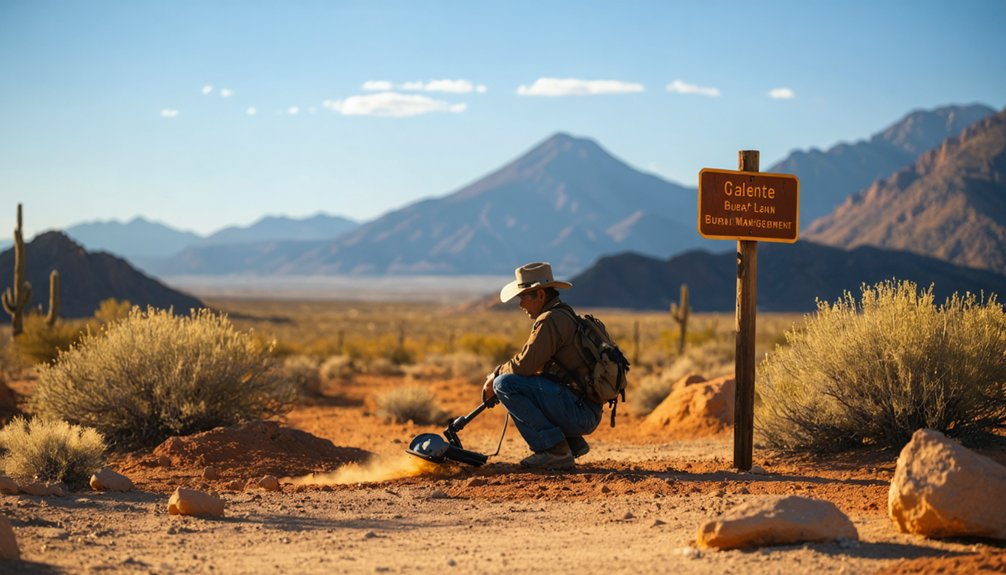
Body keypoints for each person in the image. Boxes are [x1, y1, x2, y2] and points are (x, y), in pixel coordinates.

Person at [482, 262, 602, 469]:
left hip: (580, 413)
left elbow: (524, 366)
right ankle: (571, 442)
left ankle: (555, 451)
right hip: (584, 410)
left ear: (539, 295)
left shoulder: (551, 320)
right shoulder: (562, 314)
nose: (521, 305)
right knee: (524, 382)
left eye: (523, 297)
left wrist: (494, 377)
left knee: (505, 384)